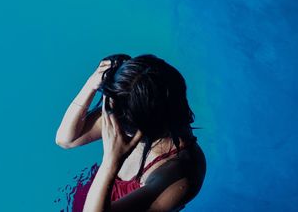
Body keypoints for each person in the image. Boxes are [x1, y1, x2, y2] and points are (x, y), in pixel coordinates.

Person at [55, 54, 207, 212]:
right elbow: (66, 139)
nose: (111, 121)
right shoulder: (138, 99)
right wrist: (92, 83)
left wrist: (110, 162)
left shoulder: (181, 173)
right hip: (92, 195)